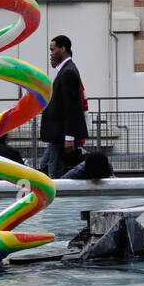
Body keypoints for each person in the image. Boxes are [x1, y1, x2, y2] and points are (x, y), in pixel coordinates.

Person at [38, 35, 88, 180]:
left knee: (55, 171)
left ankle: (60, 198)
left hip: (62, 135)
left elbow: (71, 108)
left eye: (52, 50)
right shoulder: (66, 70)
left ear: (63, 49)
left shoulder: (68, 72)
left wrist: (69, 138)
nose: (51, 53)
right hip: (58, 135)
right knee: (46, 165)